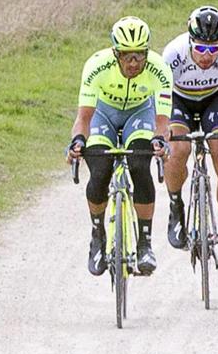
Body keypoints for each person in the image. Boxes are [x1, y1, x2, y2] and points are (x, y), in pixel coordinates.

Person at [67, 17, 172, 278]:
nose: (134, 63)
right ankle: (97, 235)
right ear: (116, 53)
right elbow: (84, 118)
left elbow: (162, 120)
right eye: (127, 56)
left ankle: (145, 242)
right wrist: (78, 141)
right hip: (104, 114)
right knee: (100, 171)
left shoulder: (160, 68)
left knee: (139, 165)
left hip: (140, 113)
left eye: (140, 56)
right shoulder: (96, 66)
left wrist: (160, 141)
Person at [162, 5, 218, 266]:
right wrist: (162, 130)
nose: (207, 56)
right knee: (178, 150)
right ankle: (176, 206)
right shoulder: (173, 54)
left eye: (214, 49)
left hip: (215, 98)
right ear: (190, 41)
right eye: (200, 48)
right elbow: (161, 103)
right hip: (178, 100)